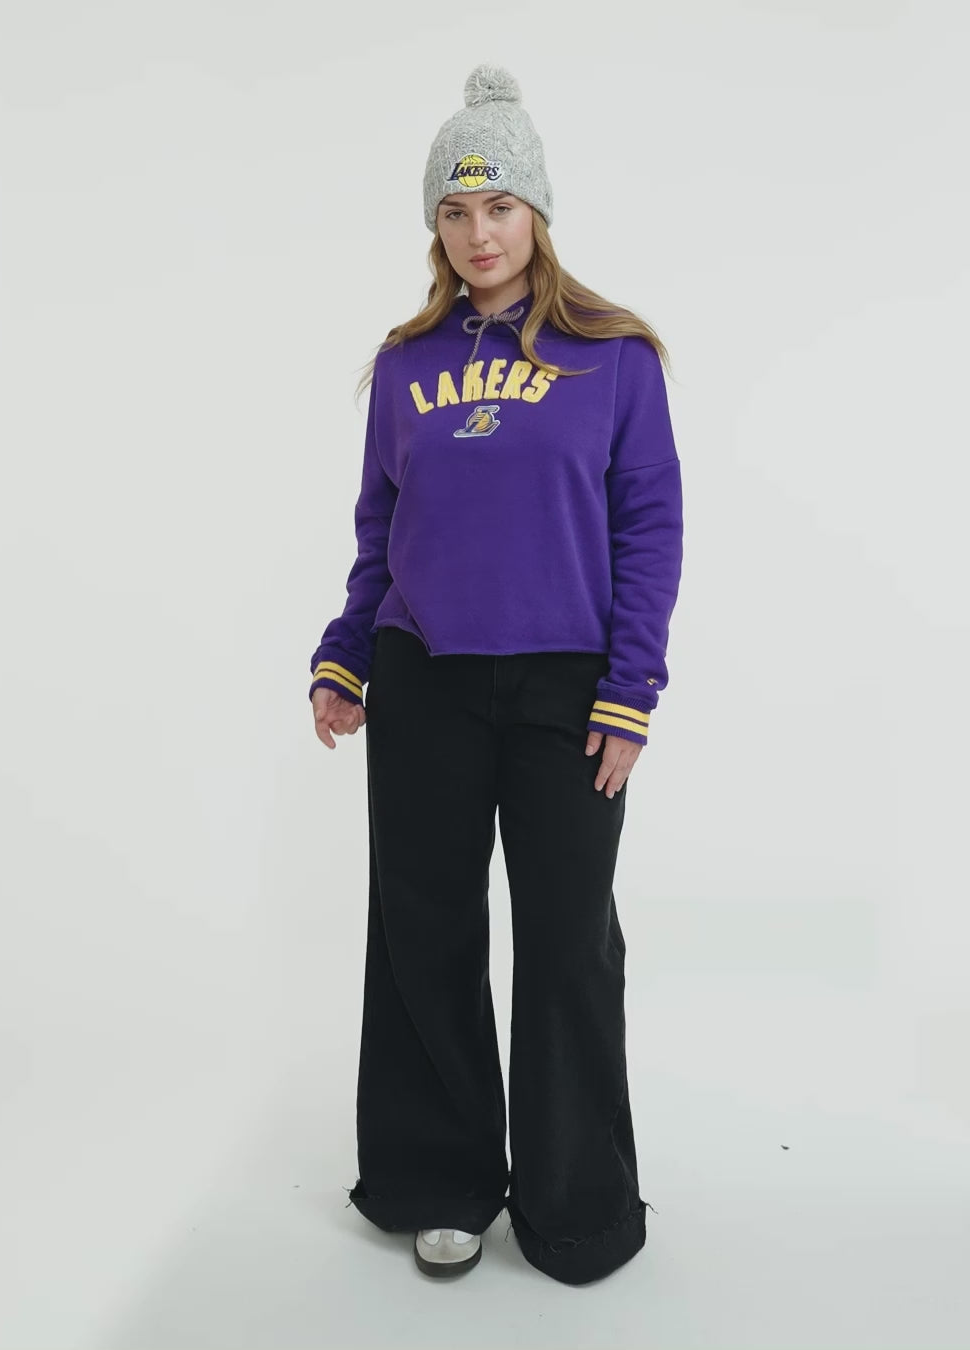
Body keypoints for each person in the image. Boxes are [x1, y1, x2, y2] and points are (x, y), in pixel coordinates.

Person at [307, 63, 683, 1286]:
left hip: (569, 688)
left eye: (501, 208)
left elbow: (651, 529)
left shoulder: (615, 357)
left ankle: (578, 1208)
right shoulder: (406, 365)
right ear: (437, 224)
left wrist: (631, 690)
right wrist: (346, 653)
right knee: (424, 931)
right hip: (423, 678)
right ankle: (442, 1180)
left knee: (569, 941)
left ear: (538, 213)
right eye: (457, 212)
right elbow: (382, 531)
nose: (480, 235)